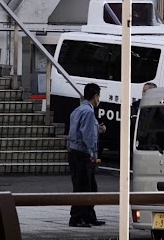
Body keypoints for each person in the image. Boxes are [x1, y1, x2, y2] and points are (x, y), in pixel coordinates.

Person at [68, 82, 106, 228]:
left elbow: (77, 131)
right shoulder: (89, 112)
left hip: (74, 152)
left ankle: (88, 216)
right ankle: (76, 218)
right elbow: (88, 135)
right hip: (83, 153)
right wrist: (93, 153)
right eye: (98, 96)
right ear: (95, 96)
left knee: (87, 186)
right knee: (83, 187)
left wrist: (98, 129)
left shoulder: (77, 110)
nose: (98, 99)